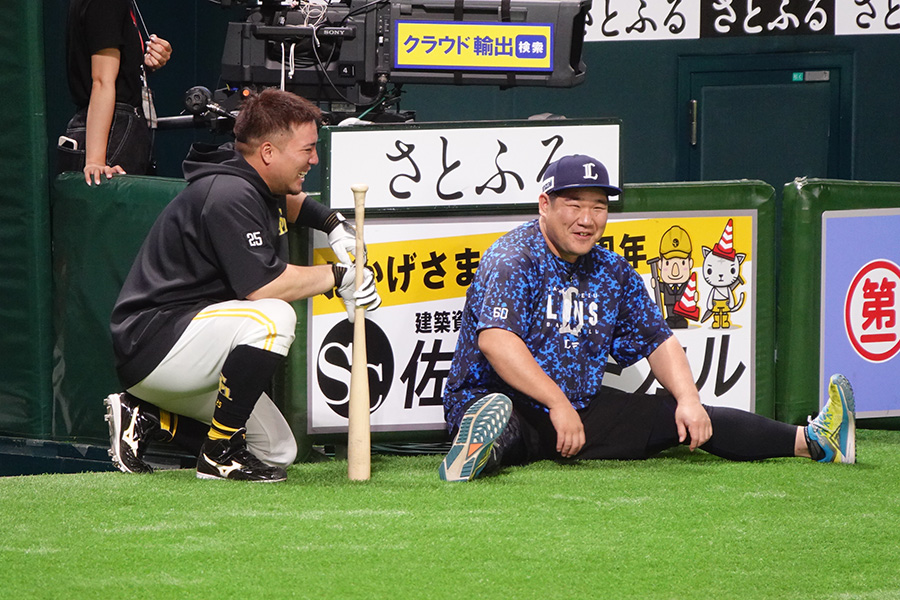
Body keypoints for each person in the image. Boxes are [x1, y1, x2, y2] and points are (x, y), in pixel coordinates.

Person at [439, 153, 856, 482]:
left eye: (599, 207)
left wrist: (689, 401)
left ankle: (815, 441)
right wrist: (556, 403)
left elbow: (659, 341)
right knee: (507, 426)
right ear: (544, 204)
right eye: (574, 204)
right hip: (506, 400)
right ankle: (478, 448)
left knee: (683, 417)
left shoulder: (611, 270)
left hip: (580, 407)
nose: (587, 219)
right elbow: (496, 341)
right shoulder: (513, 257)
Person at [104, 88, 381, 482]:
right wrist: (339, 276)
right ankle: (219, 456)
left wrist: (332, 223)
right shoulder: (229, 193)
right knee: (273, 317)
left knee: (277, 451)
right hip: (155, 341)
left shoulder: (249, 178)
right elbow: (265, 286)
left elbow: (288, 204)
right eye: (307, 149)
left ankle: (149, 416)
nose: (314, 159)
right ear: (268, 152)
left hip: (194, 345)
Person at [61, 0, 172, 185]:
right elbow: (102, 81)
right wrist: (95, 160)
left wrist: (145, 64)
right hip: (113, 131)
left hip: (115, 128)